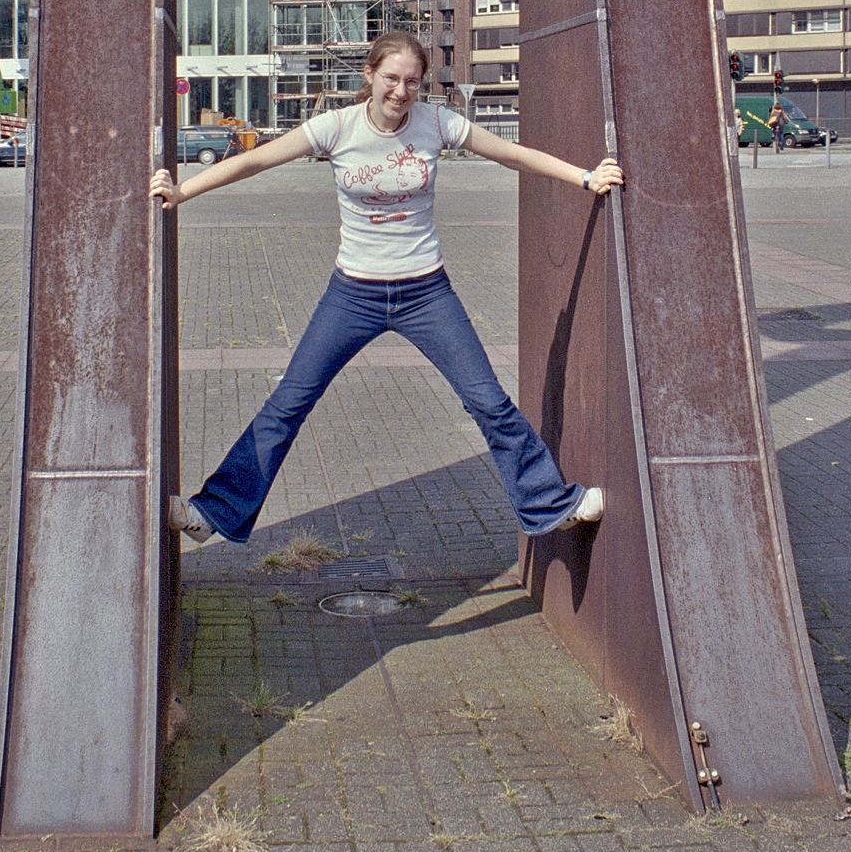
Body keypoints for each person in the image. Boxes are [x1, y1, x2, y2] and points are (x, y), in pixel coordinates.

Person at [150, 31, 624, 547]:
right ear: (370, 76)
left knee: (488, 402)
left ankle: (550, 503)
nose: (401, 91)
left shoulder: (436, 122)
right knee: (288, 404)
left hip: (427, 292)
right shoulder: (338, 127)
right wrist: (183, 189)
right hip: (353, 293)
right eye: (392, 78)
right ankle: (211, 513)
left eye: (412, 82)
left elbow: (511, 154)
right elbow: (254, 161)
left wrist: (584, 177)